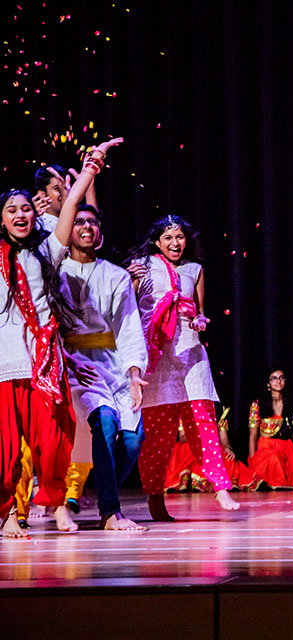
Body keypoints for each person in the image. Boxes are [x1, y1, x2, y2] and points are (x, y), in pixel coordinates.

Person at [0, 137, 121, 538]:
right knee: (5, 454)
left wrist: (90, 169)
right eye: (10, 210)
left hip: (42, 363)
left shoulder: (47, 252)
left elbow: (70, 208)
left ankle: (51, 502)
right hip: (3, 366)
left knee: (54, 442)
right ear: (1, 219)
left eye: (24, 209)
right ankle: (5, 515)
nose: (20, 214)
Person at [127, 215, 240, 520]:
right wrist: (131, 279)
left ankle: (220, 487)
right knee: (158, 434)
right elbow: (129, 305)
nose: (175, 243)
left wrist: (201, 320)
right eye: (168, 238)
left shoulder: (195, 269)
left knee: (204, 424)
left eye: (179, 237)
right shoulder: (144, 265)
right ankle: (154, 496)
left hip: (190, 353)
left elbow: (200, 311)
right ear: (157, 242)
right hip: (156, 354)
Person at [59, 202, 150, 530]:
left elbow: (128, 327)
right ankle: (111, 511)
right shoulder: (55, 273)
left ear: (100, 234)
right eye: (79, 221)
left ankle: (99, 492)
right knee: (106, 423)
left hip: (112, 367)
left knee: (132, 441)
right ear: (67, 230)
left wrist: (135, 373)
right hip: (74, 367)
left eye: (93, 223)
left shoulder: (116, 275)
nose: (86, 227)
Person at [248, 369, 293, 489]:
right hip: (266, 448)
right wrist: (253, 462)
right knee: (274, 460)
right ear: (268, 383)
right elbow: (253, 435)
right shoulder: (258, 405)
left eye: (281, 377)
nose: (278, 381)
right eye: (274, 378)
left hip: (287, 448)